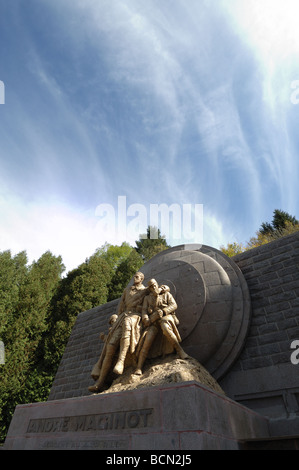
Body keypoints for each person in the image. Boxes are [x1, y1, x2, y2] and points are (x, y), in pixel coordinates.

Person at [88, 272, 147, 393]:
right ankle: (100, 382)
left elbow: (148, 304)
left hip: (135, 316)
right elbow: (121, 307)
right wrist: (118, 318)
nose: (134, 278)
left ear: (142, 279)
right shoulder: (127, 290)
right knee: (110, 346)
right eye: (134, 276)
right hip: (123, 317)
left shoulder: (145, 290)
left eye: (137, 276)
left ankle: (121, 361)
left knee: (127, 324)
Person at [134, 279, 188, 376]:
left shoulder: (166, 294)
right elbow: (144, 311)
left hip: (165, 317)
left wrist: (163, 312)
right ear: (149, 288)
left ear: (157, 284)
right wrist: (146, 319)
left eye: (154, 285)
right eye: (151, 286)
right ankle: (139, 367)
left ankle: (180, 351)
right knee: (147, 339)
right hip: (153, 322)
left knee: (166, 327)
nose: (154, 287)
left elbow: (174, 305)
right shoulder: (147, 298)